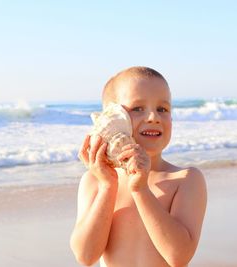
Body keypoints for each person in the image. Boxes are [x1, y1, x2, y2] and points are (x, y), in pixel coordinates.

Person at [70, 66, 207, 267]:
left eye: (163, 109)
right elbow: (85, 255)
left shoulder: (185, 180)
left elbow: (178, 256)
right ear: (111, 116)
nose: (153, 117)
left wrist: (141, 189)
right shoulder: (94, 182)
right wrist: (108, 187)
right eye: (137, 108)